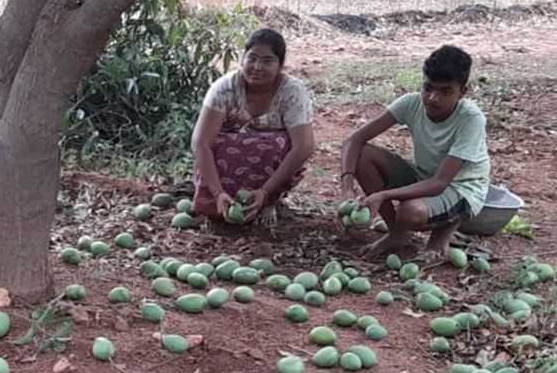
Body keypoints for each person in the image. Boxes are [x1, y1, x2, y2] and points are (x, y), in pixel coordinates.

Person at [340, 45, 489, 259]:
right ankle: (397, 234)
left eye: (445, 92)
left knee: (410, 212)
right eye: (428, 88)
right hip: (424, 176)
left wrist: (383, 195)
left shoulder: (471, 119)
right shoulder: (411, 103)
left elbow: (440, 183)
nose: (432, 98)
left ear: (462, 92)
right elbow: (353, 140)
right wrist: (347, 188)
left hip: (460, 187)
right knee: (363, 155)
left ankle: (448, 224)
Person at [191, 28, 316, 226]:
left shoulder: (292, 92)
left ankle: (266, 201)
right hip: (228, 159)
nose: (257, 67)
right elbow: (200, 142)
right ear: (242, 60)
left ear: (280, 65)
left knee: (275, 144)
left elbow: (304, 146)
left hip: (269, 160)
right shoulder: (224, 88)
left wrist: (266, 192)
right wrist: (216, 192)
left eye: (268, 61)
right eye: (252, 59)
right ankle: (223, 200)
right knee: (216, 143)